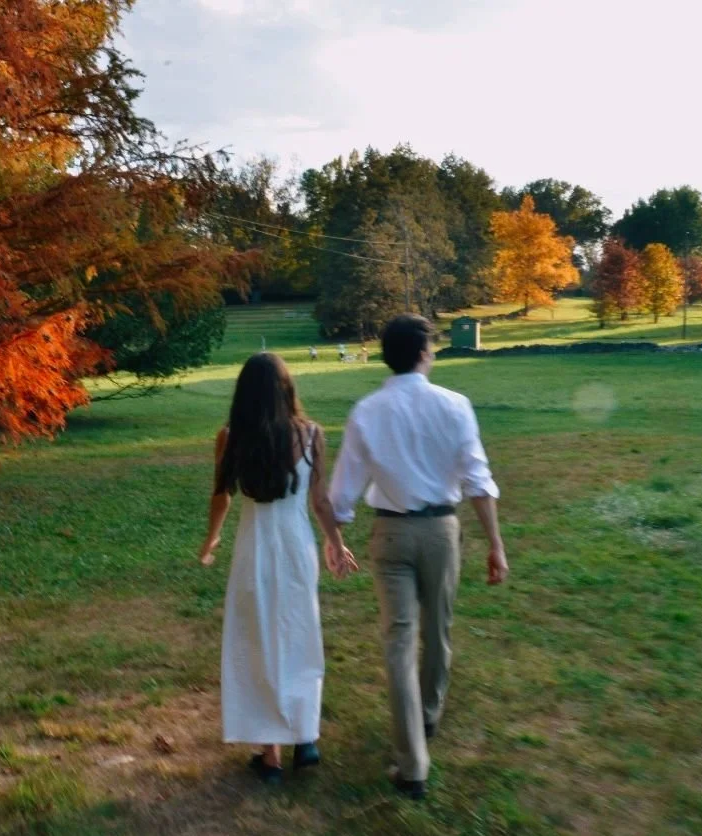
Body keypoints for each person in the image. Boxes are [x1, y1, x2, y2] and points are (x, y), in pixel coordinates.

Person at [329, 314, 508, 801]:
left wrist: (334, 537)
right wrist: (495, 544)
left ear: (387, 356)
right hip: (441, 532)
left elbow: (342, 490)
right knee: (438, 632)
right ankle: (426, 719)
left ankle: (412, 763)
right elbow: (477, 479)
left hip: (390, 534)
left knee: (399, 643)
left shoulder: (367, 410)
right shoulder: (455, 405)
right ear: (425, 353)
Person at [199, 353, 359, 786]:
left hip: (254, 547)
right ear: (287, 389)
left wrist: (211, 539)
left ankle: (270, 755)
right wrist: (335, 541)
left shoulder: (231, 437)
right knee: (299, 634)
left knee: (257, 640)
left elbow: (222, 496)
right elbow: (320, 500)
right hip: (295, 545)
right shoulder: (311, 434)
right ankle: (305, 737)